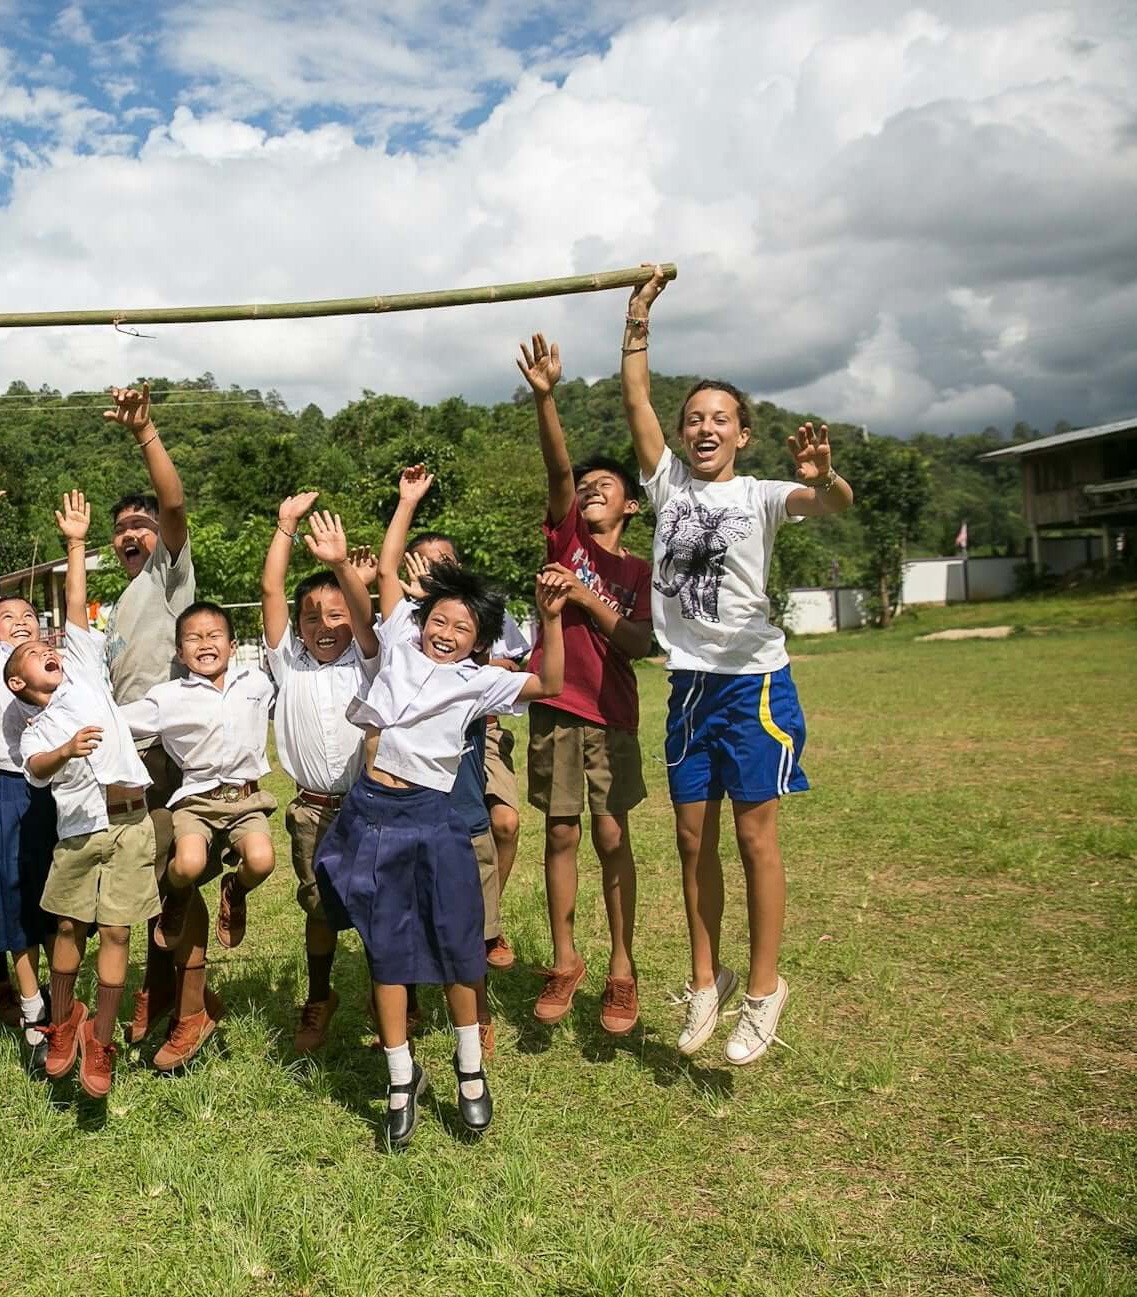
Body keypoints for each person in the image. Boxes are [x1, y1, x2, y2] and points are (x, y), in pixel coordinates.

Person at [622, 266, 854, 1065]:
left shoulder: (759, 493)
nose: (704, 427)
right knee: (692, 842)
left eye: (720, 418)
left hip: (753, 688)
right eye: (695, 418)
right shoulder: (664, 485)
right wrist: (638, 319)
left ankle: (763, 989)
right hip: (687, 688)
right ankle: (705, 980)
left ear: (743, 434)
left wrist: (827, 480)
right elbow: (636, 399)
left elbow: (826, 506)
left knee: (756, 839)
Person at [311, 491, 570, 1149]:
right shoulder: (394, 646)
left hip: (433, 820)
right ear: (422, 618)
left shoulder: (478, 681)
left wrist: (550, 621)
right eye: (440, 620)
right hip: (373, 816)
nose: (446, 633)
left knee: (460, 949)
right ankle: (402, 1079)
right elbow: (383, 585)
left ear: (478, 642)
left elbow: (549, 684)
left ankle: (471, 1069)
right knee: (387, 957)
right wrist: (371, 537)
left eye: (463, 629)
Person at [516, 332, 656, 1035]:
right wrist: (547, 397)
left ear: (630, 507)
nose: (595, 489)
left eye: (610, 486)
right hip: (558, 710)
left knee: (611, 831)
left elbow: (639, 640)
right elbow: (560, 469)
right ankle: (566, 959)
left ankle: (623, 967)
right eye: (588, 486)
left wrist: (586, 597)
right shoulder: (565, 537)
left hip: (612, 715)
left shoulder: (636, 574)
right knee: (562, 832)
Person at [4, 491, 159, 1098]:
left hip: (129, 823)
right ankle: (63, 1021)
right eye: (37, 656)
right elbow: (37, 769)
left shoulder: (87, 670)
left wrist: (75, 544)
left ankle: (100, 1036)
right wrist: (67, 749)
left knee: (118, 932)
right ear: (20, 681)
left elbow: (73, 607)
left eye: (52, 647)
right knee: (68, 926)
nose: (50, 651)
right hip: (78, 835)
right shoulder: (36, 726)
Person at [120, 600, 277, 1071]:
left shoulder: (257, 682)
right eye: (193, 638)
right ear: (179, 651)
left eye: (215, 637)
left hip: (246, 799)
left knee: (263, 861)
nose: (205, 644)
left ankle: (236, 889)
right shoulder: (169, 697)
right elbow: (119, 720)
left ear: (233, 645)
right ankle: (179, 901)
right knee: (184, 866)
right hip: (195, 798)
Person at [97, 383, 202, 1047]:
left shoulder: (168, 576)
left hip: (167, 751)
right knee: (136, 877)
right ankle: (161, 990)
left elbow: (173, 502)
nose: (132, 533)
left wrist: (145, 434)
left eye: (140, 526)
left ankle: (176, 1001)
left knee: (172, 879)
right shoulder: (120, 602)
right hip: (126, 756)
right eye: (122, 529)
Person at [259, 496, 380, 1053]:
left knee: (381, 902)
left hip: (369, 805)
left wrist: (341, 569)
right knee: (319, 907)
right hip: (311, 808)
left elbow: (362, 612)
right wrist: (285, 527)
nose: (325, 626)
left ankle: (393, 999)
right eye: (312, 616)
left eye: (337, 615)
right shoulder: (289, 664)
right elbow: (270, 593)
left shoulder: (369, 659)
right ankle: (320, 995)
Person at [392, 494, 526, 971]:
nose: (436, 570)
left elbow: (513, 661)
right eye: (426, 564)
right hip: (431, 742)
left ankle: (489, 921)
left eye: (444, 561)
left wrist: (476, 666)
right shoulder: (409, 620)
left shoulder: (479, 608)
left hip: (483, 732)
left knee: (504, 823)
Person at [0, 474, 62, 1073]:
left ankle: (62, 1005)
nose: (19, 621)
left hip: (55, 793)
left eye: (29, 614)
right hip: (3, 790)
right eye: (8, 617)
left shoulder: (58, 666)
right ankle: (31, 1008)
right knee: (8, 902)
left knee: (58, 903)